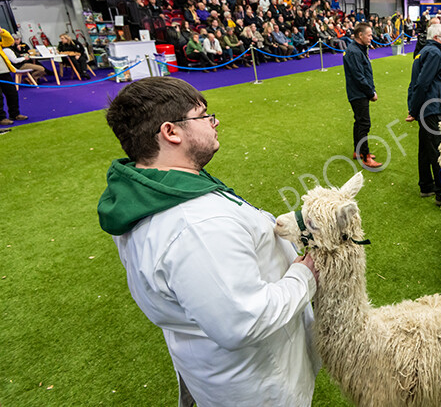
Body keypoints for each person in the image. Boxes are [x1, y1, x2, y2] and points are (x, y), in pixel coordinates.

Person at [97, 77, 320, 406]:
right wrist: (305, 275)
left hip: (212, 365)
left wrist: (287, 225)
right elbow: (244, 321)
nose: (215, 122)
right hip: (260, 384)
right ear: (171, 132)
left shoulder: (151, 190)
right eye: (203, 115)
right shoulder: (196, 227)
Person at [407, 23, 441, 206]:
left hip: (427, 107)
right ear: (437, 38)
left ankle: (426, 186)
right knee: (437, 150)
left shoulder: (425, 51)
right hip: (432, 108)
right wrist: (413, 110)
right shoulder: (433, 53)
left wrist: (414, 108)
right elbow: (423, 83)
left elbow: (418, 83)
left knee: (426, 149)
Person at [343, 22, 381, 169]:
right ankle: (365, 156)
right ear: (360, 35)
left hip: (359, 92)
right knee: (364, 123)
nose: (371, 37)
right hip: (358, 93)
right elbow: (359, 76)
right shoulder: (354, 51)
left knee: (359, 122)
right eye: (369, 35)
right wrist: (371, 92)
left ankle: (358, 151)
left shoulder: (359, 49)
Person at [0, 29, 29, 125]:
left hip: (4, 71)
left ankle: (15, 114)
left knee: (12, 93)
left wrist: (2, 32)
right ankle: (1, 118)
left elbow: (9, 41)